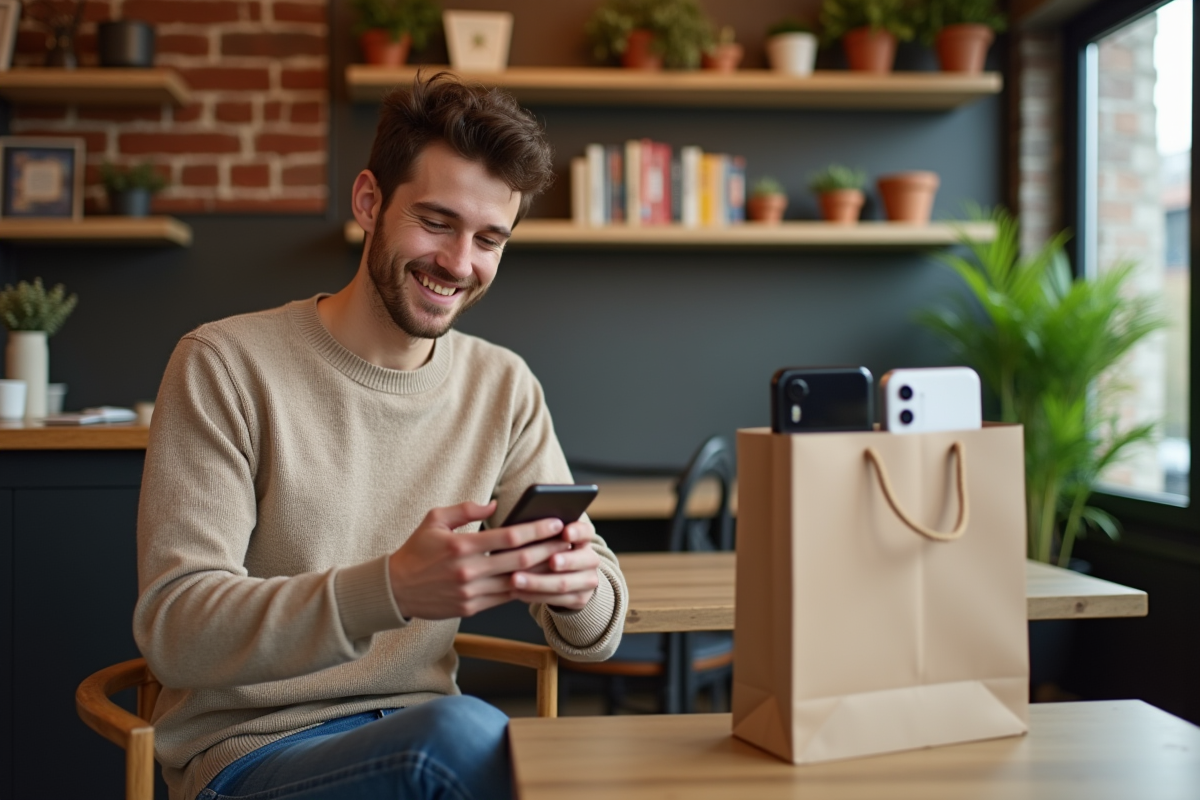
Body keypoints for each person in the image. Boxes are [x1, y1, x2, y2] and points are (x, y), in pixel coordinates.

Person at [134, 73, 628, 800]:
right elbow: (176, 631)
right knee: (468, 736)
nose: (460, 264)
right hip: (252, 754)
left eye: (489, 238)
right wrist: (389, 588)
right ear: (370, 201)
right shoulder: (225, 364)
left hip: (424, 743)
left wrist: (576, 585)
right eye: (436, 222)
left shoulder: (504, 386)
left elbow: (599, 633)